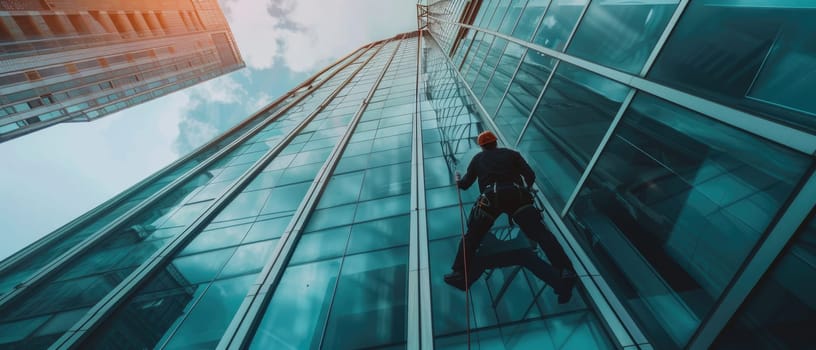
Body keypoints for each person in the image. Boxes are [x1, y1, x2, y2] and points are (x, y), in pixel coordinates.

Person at [445, 130, 576, 303]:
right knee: (541, 235)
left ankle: (459, 272)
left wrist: (458, 181)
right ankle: (565, 270)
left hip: (491, 197)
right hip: (517, 196)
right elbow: (530, 175)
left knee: (473, 236)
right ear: (495, 142)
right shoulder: (512, 154)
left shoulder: (478, 159)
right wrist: (527, 188)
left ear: (482, 146)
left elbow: (466, 184)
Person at [443, 234, 573, 303]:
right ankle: (462, 277)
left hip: (518, 246)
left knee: (478, 254)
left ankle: (462, 278)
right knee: (477, 253)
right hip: (517, 246)